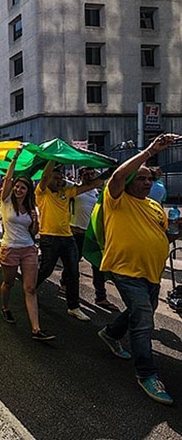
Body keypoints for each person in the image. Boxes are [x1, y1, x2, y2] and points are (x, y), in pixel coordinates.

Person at [96, 133, 182, 406]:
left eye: (149, 179)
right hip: (126, 270)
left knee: (139, 310)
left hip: (152, 273)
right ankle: (146, 373)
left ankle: (110, 333)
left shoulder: (156, 207)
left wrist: (176, 233)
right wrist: (150, 150)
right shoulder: (117, 199)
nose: (147, 182)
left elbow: (164, 237)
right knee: (144, 319)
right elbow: (119, 176)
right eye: (141, 178)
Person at [0, 146, 54, 340]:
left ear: (28, 191)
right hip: (10, 249)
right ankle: (5, 307)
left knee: (30, 288)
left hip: (28, 249)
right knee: (9, 283)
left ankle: (36, 329)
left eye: (23, 188)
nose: (19, 190)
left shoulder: (31, 207)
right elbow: (7, 179)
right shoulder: (5, 202)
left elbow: (34, 232)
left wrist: (35, 220)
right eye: (17, 186)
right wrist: (15, 158)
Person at [35, 161, 104, 321]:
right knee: (46, 270)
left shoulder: (67, 191)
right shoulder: (42, 192)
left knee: (73, 273)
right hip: (49, 237)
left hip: (68, 237)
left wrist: (110, 170)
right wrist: (53, 157)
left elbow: (91, 186)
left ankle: (73, 307)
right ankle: (30, 290)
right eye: (56, 177)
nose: (60, 180)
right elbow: (45, 176)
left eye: (61, 177)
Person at [60, 167, 117, 311]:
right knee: (72, 263)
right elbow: (59, 181)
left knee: (98, 267)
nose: (89, 176)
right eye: (86, 174)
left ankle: (101, 297)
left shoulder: (97, 192)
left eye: (92, 174)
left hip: (92, 235)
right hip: (76, 233)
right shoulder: (73, 188)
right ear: (81, 176)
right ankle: (64, 284)